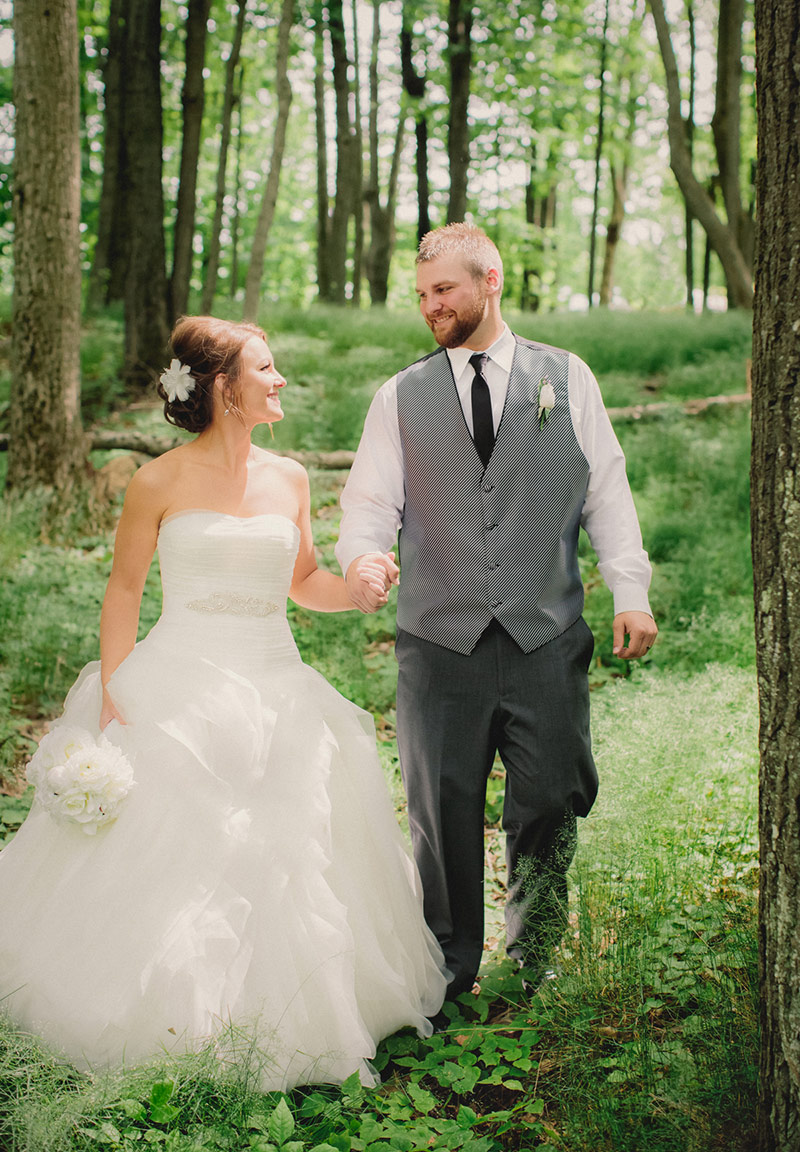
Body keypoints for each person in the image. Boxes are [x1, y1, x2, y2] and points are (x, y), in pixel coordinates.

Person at [0, 315, 446, 1089]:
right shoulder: (158, 480)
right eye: (265, 368)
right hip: (177, 689)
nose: (279, 381)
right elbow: (126, 588)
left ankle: (294, 1016)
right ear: (221, 387)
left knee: (291, 858)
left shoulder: (292, 479)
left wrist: (360, 589)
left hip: (279, 692)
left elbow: (305, 583)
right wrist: (113, 690)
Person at [337, 223, 658, 1003]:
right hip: (437, 641)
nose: (430, 307)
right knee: (440, 812)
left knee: (551, 796)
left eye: (443, 289)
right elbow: (370, 504)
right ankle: (449, 969)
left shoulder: (566, 377)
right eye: (421, 295)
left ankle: (536, 958)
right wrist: (363, 559)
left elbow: (604, 489)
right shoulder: (400, 396)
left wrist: (631, 589)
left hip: (543, 633)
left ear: (491, 281)